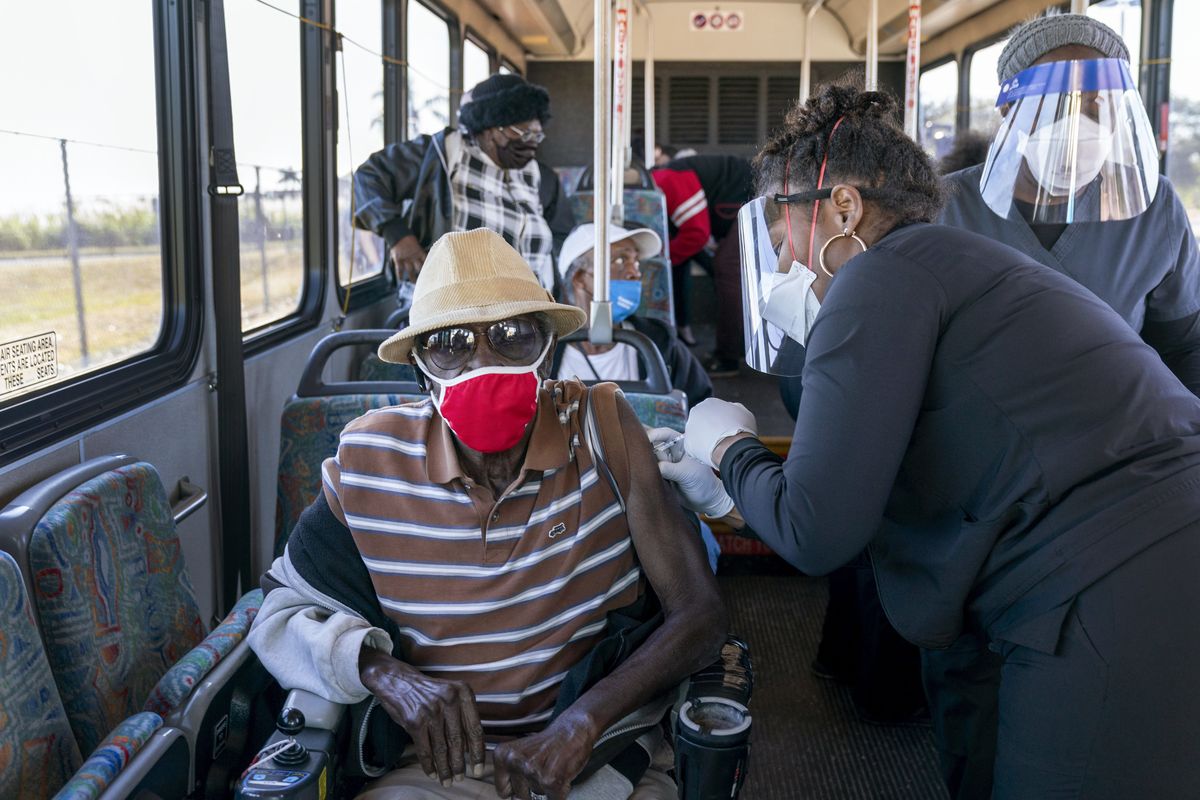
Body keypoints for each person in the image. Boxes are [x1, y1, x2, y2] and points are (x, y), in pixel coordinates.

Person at [673, 82, 1200, 798]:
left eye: (779, 235)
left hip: (1113, 577)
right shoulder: (947, 263)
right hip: (1136, 554)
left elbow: (815, 530)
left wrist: (729, 449)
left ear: (844, 208)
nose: (782, 265)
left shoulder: (876, 280)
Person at [248, 229, 727, 799]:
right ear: (423, 369)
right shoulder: (367, 461)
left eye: (512, 337)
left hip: (595, 751)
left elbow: (699, 615)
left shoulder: (603, 427)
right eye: (450, 343)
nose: (483, 363)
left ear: (546, 349)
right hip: (438, 769)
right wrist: (382, 671)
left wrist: (582, 722)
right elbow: (279, 613)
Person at [930, 14, 1200, 798]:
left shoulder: (1151, 215)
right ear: (1010, 111)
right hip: (974, 495)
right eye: (1059, 105)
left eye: (1098, 108)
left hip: (1112, 501)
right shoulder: (942, 213)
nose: (1079, 129)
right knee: (969, 691)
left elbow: (1185, 352)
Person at [352, 74, 576, 290]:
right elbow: (369, 178)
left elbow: (563, 236)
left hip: (527, 307)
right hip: (451, 304)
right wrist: (398, 235)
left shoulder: (541, 177)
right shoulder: (441, 155)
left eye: (537, 135)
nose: (532, 143)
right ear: (489, 129)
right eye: (523, 133)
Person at [553, 223, 713, 408]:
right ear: (580, 278)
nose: (635, 273)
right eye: (620, 261)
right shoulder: (543, 354)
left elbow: (703, 404)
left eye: (635, 262)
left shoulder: (658, 341)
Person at [652, 155, 754, 375]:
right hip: (740, 200)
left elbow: (696, 235)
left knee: (727, 269)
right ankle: (741, 346)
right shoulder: (663, 178)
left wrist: (663, 264)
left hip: (757, 196)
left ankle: (727, 357)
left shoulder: (665, 180)